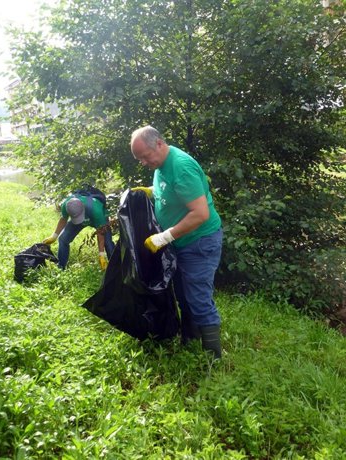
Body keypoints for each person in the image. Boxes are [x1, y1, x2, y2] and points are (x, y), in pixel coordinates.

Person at [130, 126, 223, 359]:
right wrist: (151, 191)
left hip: (199, 242)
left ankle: (214, 359)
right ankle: (190, 340)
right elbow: (171, 191)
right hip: (183, 243)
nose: (143, 162)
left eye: (145, 156)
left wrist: (165, 236)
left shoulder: (181, 167)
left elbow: (200, 213)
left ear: (159, 144)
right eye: (139, 158)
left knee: (198, 299)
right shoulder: (161, 164)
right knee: (183, 295)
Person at [43, 193, 115, 270]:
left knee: (108, 243)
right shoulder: (66, 205)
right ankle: (61, 267)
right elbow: (63, 219)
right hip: (82, 218)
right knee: (63, 239)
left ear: (83, 207)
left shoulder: (96, 209)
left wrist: (101, 255)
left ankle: (115, 266)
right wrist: (54, 236)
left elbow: (101, 233)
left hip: (97, 219)